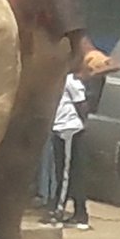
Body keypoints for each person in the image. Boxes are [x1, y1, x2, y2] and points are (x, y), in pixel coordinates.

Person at [46, 72, 91, 230]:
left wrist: (82, 124)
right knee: (68, 173)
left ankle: (59, 210)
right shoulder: (55, 79)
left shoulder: (70, 80)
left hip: (68, 130)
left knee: (65, 174)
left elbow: (82, 104)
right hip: (60, 129)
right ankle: (80, 213)